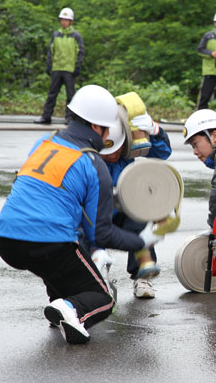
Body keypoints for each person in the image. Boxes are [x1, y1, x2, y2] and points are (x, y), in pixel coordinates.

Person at [0, 85, 163, 344]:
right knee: (103, 299)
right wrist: (141, 241)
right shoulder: (94, 164)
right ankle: (71, 309)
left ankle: (58, 307)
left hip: (6, 240)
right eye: (106, 129)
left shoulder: (44, 143)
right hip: (48, 241)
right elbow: (101, 233)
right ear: (97, 128)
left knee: (60, 266)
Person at [84, 112, 172, 299]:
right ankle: (93, 279)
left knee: (140, 215)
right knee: (84, 232)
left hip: (125, 208)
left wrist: (155, 131)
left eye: (117, 150)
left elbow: (163, 153)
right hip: (95, 212)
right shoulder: (87, 154)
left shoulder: (131, 145)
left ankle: (143, 274)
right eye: (107, 153)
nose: (113, 155)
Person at [35, 8, 84, 124]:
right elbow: (50, 51)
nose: (64, 22)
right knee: (52, 94)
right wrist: (49, 65)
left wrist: (77, 66)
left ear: (71, 22)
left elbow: (80, 52)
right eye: (62, 20)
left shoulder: (76, 36)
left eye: (67, 20)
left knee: (70, 96)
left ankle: (70, 118)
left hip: (69, 70)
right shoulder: (56, 34)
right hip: (57, 68)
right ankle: (46, 116)